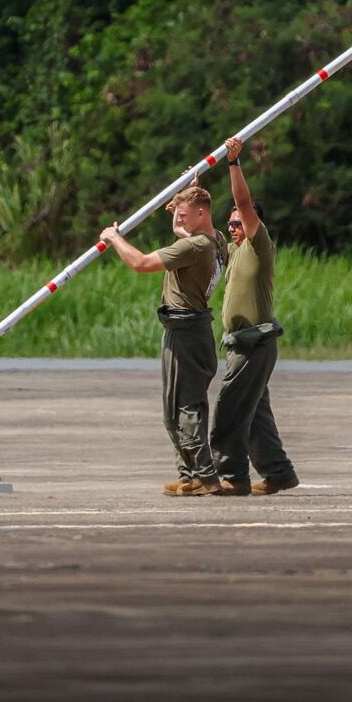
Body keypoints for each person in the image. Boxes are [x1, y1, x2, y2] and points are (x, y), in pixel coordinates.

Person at [103, 184, 229, 496]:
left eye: (185, 216)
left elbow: (141, 263)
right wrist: (189, 191)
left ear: (202, 213)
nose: (180, 220)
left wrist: (114, 237)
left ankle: (204, 475)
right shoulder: (216, 241)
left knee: (183, 407)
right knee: (180, 405)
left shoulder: (195, 247)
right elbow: (197, 239)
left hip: (186, 330)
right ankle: (190, 475)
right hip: (193, 327)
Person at [211, 136, 299, 496]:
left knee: (231, 408)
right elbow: (203, 233)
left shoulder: (258, 245)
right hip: (239, 344)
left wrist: (234, 163)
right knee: (256, 415)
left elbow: (242, 202)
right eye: (229, 224)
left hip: (255, 341)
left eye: (238, 223)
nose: (233, 228)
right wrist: (192, 190)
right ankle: (278, 473)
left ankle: (233, 476)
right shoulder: (233, 252)